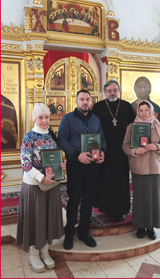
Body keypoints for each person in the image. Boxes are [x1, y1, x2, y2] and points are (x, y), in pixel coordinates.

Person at [17, 103, 65, 273]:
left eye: (46, 117)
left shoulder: (52, 135)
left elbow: (56, 157)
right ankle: (34, 253)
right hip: (34, 185)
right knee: (35, 219)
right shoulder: (29, 137)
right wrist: (41, 178)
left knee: (46, 218)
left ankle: (45, 251)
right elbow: (25, 163)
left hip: (50, 185)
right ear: (34, 119)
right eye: (40, 117)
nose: (44, 121)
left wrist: (62, 165)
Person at [57, 90, 105, 249]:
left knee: (89, 199)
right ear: (76, 101)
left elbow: (102, 138)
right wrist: (77, 155)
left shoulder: (96, 119)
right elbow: (62, 140)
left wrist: (102, 152)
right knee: (74, 198)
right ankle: (69, 233)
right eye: (82, 99)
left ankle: (84, 231)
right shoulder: (68, 119)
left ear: (90, 102)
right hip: (76, 164)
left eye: (87, 99)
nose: (85, 102)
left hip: (93, 165)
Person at [122, 100, 160, 240]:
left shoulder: (159, 127)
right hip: (138, 167)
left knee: (153, 198)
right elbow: (125, 146)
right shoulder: (131, 127)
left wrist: (156, 147)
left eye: (146, 110)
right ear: (137, 112)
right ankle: (140, 226)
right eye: (141, 110)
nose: (143, 113)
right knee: (139, 198)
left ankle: (151, 227)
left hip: (154, 167)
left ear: (151, 111)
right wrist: (135, 151)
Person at [91, 80, 136, 222]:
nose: (112, 93)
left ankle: (121, 210)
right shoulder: (98, 107)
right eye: (109, 90)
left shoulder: (126, 106)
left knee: (121, 181)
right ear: (104, 92)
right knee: (105, 179)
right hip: (105, 150)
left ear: (119, 91)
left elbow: (133, 126)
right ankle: (107, 210)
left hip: (122, 150)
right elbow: (93, 129)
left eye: (115, 90)